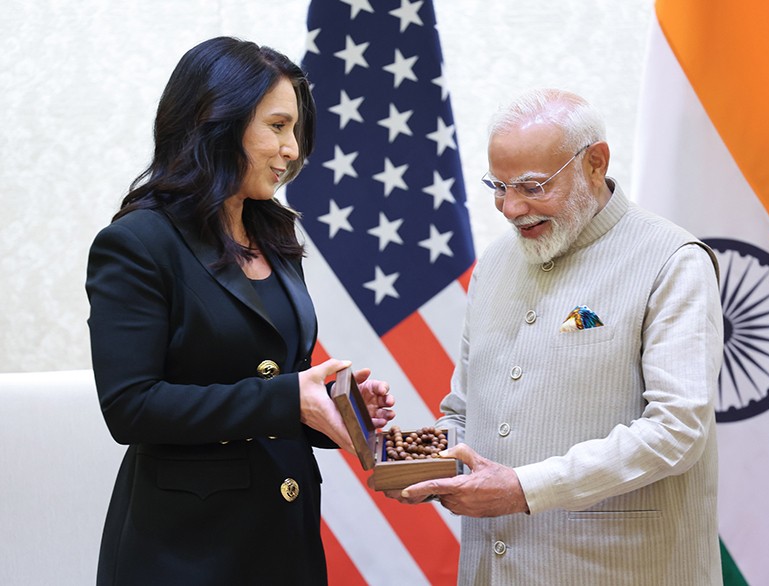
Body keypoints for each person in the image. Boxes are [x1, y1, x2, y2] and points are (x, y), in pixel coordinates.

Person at [85, 36, 395, 585]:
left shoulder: (272, 230)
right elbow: (129, 407)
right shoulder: (137, 242)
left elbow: (270, 377)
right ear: (215, 122)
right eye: (277, 127)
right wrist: (288, 399)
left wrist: (329, 408)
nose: (293, 149)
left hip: (284, 541)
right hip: (186, 552)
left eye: (294, 130)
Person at [394, 89, 724, 585]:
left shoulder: (672, 261)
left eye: (531, 186)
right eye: (498, 186)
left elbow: (678, 430)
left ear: (595, 162)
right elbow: (464, 412)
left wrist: (523, 488)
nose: (509, 207)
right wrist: (410, 459)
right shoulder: (497, 263)